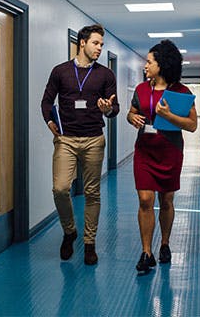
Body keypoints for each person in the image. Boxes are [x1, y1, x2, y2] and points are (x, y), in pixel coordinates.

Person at [40, 24, 119, 265]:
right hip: (66, 140)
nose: (99, 48)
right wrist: (50, 122)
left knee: (92, 193)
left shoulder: (105, 74)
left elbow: (115, 109)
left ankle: (89, 243)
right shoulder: (60, 71)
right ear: (82, 43)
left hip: (94, 139)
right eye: (96, 43)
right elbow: (46, 101)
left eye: (102, 45)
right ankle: (69, 231)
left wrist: (108, 110)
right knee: (61, 188)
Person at [126, 39, 197, 274]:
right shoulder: (141, 89)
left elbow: (192, 125)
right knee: (145, 200)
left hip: (170, 151)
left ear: (162, 64)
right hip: (145, 151)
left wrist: (169, 116)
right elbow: (132, 112)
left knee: (166, 201)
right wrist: (131, 118)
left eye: (149, 62)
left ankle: (164, 244)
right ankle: (146, 252)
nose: (145, 66)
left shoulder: (181, 92)